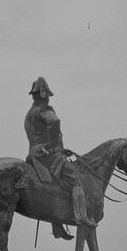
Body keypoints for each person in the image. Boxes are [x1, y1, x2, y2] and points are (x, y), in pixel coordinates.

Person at [21, 77, 95, 237]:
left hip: (35, 153)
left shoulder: (30, 113)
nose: (47, 97)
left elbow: (37, 135)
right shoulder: (43, 109)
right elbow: (55, 122)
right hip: (46, 154)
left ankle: (57, 226)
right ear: (43, 94)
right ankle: (81, 218)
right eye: (46, 94)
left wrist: (59, 149)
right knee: (76, 179)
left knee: (57, 185)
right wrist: (53, 146)